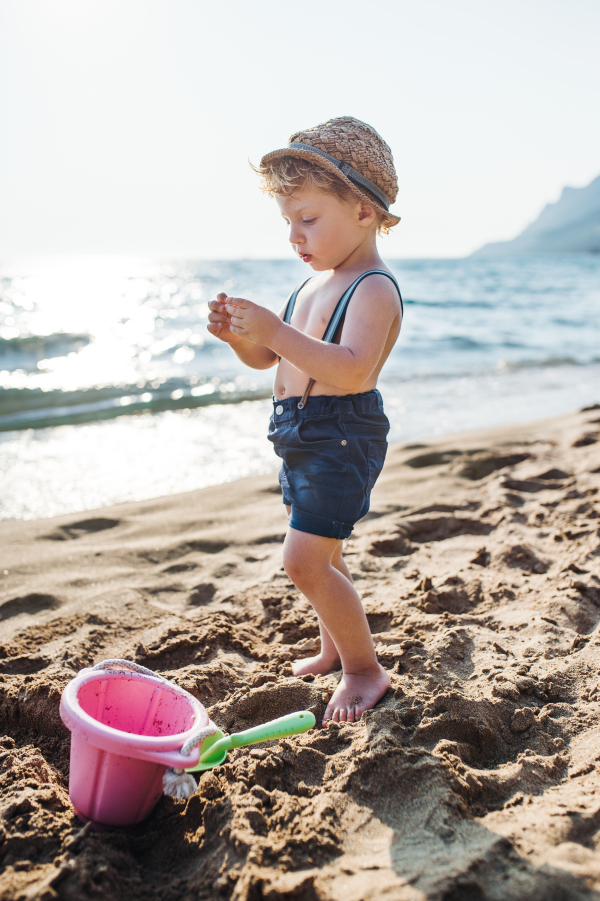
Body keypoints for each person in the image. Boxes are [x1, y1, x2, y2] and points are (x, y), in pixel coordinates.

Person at [206, 116, 403, 725]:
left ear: (365, 211)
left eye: (309, 219)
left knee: (304, 560)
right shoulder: (310, 286)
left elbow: (351, 371)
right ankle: (334, 645)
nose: (295, 235)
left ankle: (365, 670)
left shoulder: (372, 289)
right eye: (288, 222)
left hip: (341, 435)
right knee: (326, 552)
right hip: (296, 434)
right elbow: (270, 358)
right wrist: (242, 338)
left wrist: (274, 328)